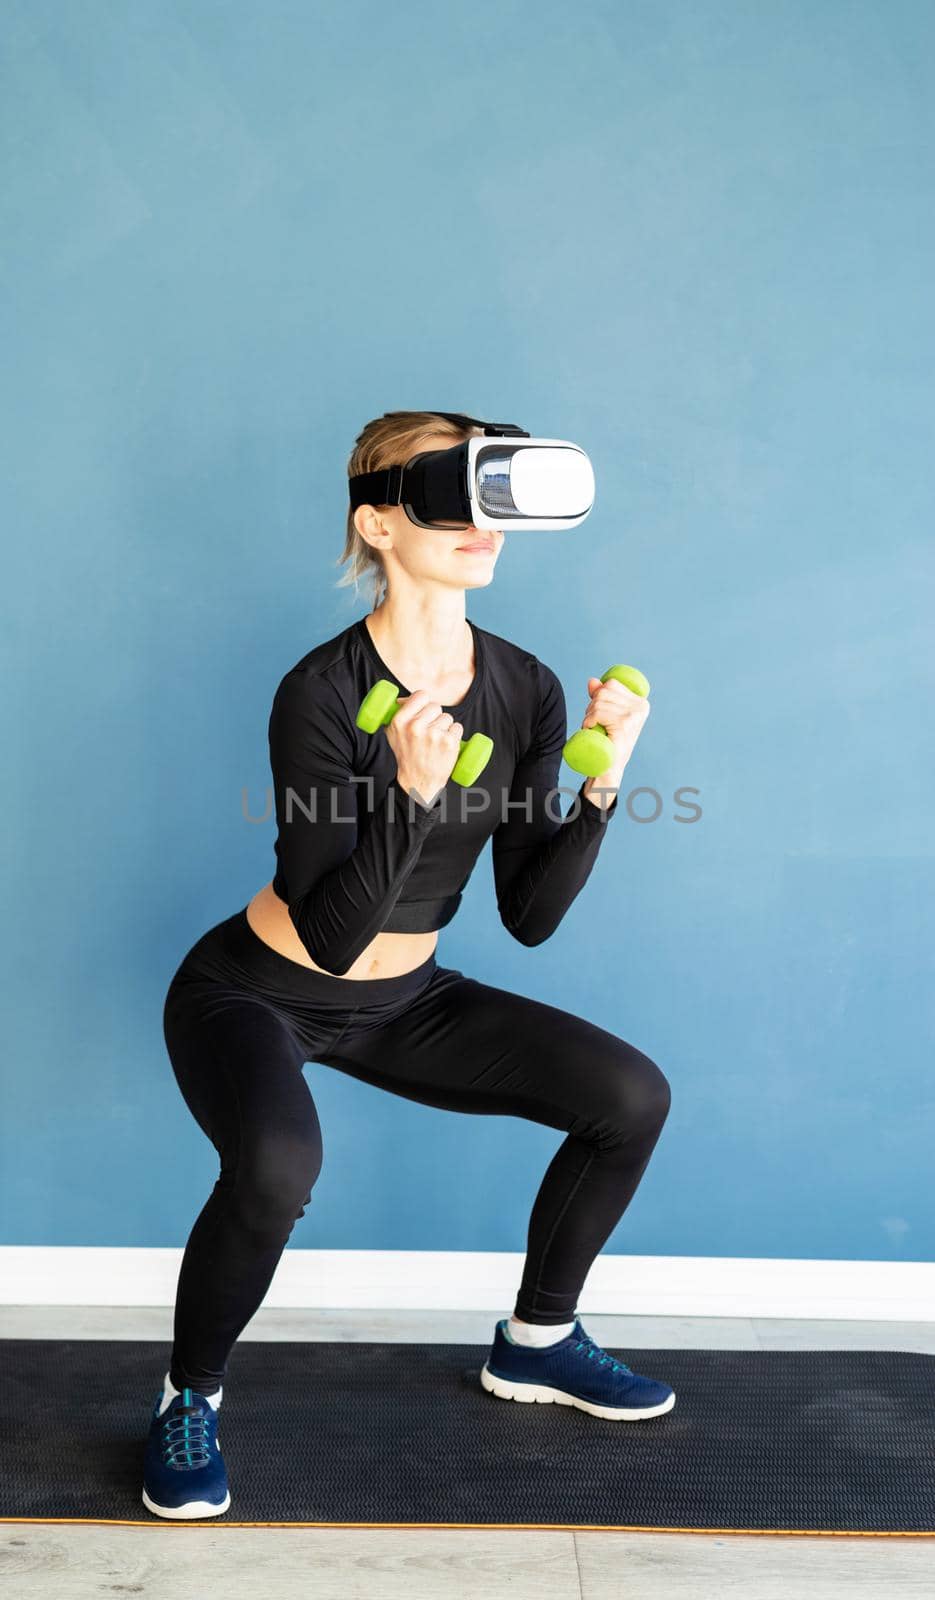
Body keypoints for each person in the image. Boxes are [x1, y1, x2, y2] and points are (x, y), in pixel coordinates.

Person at [142, 410, 674, 1521]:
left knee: (627, 1097)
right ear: (380, 522)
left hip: (407, 1000)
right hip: (258, 991)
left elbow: (527, 914)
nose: (483, 527)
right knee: (278, 1167)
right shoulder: (321, 692)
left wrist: (602, 782)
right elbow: (329, 934)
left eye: (493, 502)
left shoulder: (522, 688)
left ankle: (536, 1341)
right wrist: (410, 795)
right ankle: (187, 1395)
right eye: (453, 499)